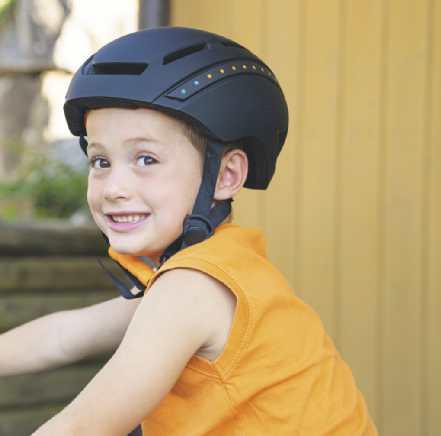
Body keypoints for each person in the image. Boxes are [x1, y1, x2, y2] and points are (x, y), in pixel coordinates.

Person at [0, 27, 378, 435]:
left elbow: (82, 427)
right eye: (101, 162)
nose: (114, 188)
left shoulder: (193, 287)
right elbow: (61, 337)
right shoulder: (216, 270)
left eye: (146, 159)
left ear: (226, 175)